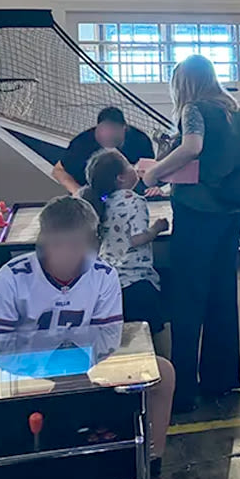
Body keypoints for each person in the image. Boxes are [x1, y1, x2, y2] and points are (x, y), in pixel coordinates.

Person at [0, 196, 203, 479]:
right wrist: (49, 363)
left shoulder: (103, 274)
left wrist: (69, 361)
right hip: (27, 377)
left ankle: (148, 477)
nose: (69, 254)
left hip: (87, 369)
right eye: (60, 245)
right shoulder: (13, 275)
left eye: (78, 245)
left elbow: (108, 339)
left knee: (163, 373)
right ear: (44, 241)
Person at [142, 55, 240, 412]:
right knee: (222, 295)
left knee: (188, 299)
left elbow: (192, 147)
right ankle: (221, 379)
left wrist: (154, 173)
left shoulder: (194, 109)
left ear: (185, 82)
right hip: (230, 213)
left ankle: (183, 390)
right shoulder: (237, 112)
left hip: (197, 213)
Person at [79, 148, 171, 358]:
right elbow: (136, 238)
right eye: (130, 165)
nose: (135, 167)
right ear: (120, 178)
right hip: (136, 281)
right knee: (157, 330)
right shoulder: (134, 201)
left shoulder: (101, 203)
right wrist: (156, 229)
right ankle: (167, 370)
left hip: (110, 282)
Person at [53, 107, 157, 195]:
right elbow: (58, 171)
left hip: (128, 193)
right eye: (103, 131)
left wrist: (153, 187)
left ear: (124, 128)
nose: (107, 135)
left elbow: (150, 171)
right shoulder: (82, 143)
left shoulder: (140, 140)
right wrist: (79, 192)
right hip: (89, 191)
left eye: (113, 131)